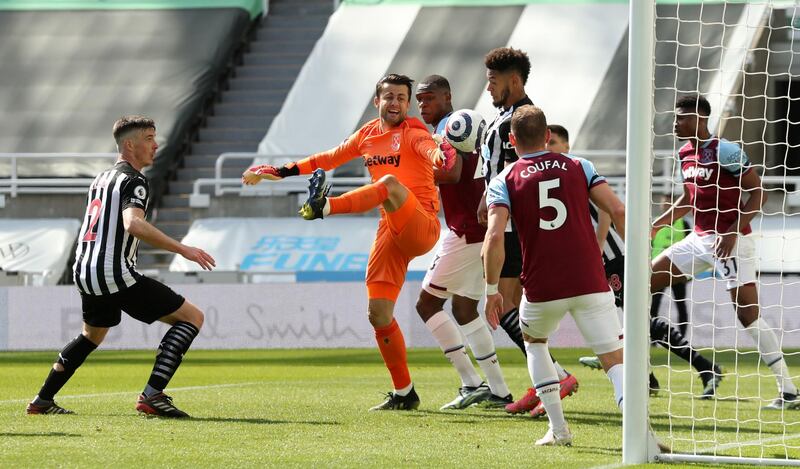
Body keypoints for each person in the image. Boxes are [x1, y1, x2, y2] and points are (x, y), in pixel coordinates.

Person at [243, 74, 456, 411]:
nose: (395, 103)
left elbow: (429, 149)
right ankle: (405, 392)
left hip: (421, 225)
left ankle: (325, 206)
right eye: (389, 96)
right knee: (378, 313)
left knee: (388, 184)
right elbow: (328, 159)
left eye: (402, 97)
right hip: (390, 230)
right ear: (377, 101)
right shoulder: (368, 134)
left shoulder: (415, 132)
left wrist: (439, 154)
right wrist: (280, 171)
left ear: (408, 103)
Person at [26, 116, 216, 417]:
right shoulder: (135, 180)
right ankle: (153, 395)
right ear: (130, 144)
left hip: (84, 271)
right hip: (113, 272)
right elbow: (133, 224)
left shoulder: (100, 179)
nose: (156, 145)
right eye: (150, 138)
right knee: (192, 317)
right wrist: (184, 249)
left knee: (92, 335)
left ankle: (42, 400)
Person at [483, 105, 628, 446]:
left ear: (511, 139)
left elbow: (493, 238)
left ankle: (559, 430)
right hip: (590, 280)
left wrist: (492, 289)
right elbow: (617, 210)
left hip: (541, 286)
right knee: (614, 361)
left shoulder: (503, 180)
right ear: (548, 136)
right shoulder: (580, 165)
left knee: (535, 344)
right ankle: (637, 430)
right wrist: (640, 256)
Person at [546, 125, 722, 399]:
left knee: (641, 321)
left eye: (554, 142)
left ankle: (705, 368)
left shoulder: (578, 169)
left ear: (567, 146)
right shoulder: (552, 178)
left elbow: (608, 210)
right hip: (596, 264)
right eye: (546, 142)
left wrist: (597, 247)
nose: (549, 147)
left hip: (614, 259)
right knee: (626, 321)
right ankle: (647, 377)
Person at [651, 94, 798, 410]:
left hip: (733, 241)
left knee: (748, 316)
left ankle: (788, 391)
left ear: (700, 118)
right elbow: (689, 199)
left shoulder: (727, 151)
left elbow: (757, 192)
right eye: (675, 117)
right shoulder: (684, 153)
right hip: (700, 240)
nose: (675, 123)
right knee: (642, 281)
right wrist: (657, 224)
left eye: (682, 117)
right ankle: (636, 369)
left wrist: (733, 230)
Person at [478, 47, 578, 416]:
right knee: (513, 310)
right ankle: (544, 381)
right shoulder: (503, 116)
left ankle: (557, 375)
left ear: (513, 80)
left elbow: (517, 173)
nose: (488, 87)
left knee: (501, 308)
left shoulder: (519, 119)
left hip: (513, 228)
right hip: (507, 223)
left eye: (493, 80)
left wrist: (495, 210)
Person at [413, 75, 512, 410]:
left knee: (426, 305)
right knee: (464, 308)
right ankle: (498, 390)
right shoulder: (469, 125)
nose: (422, 105)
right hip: (476, 228)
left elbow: (453, 173)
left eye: (429, 98)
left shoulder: (448, 130)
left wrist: (409, 174)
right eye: (419, 100)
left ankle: (471, 382)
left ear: (447, 96)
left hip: (467, 230)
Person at [650, 194, 691, 336]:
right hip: (658, 269)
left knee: (680, 304)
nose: (665, 205)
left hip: (678, 270)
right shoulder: (655, 224)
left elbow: (691, 248)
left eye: (668, 202)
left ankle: (683, 338)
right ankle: (653, 339)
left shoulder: (683, 224)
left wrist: (689, 274)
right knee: (654, 304)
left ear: (674, 204)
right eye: (663, 203)